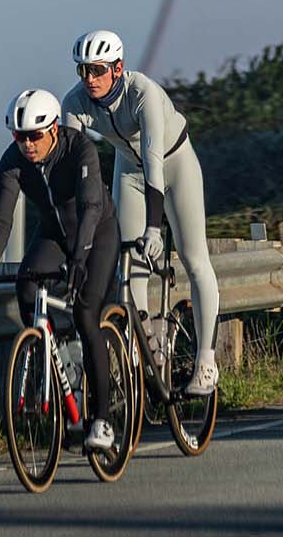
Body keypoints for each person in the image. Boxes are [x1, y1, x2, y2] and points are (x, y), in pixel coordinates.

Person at [60, 29, 222, 397]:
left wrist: (153, 228)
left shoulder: (142, 93)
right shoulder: (75, 102)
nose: (89, 79)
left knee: (195, 259)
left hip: (174, 163)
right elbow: (69, 173)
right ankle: (148, 353)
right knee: (130, 271)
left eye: (98, 70)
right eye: (83, 71)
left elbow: (154, 163)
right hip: (128, 171)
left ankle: (206, 361)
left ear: (118, 69)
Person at [0, 88, 119, 453]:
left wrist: (81, 260)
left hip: (96, 233)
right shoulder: (13, 160)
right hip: (54, 234)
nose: (27, 144)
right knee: (26, 288)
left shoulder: (79, 148)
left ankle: (101, 420)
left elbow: (89, 207)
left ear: (54, 128)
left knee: (87, 315)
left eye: (34, 136)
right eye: (18, 136)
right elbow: (1, 216)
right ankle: (63, 370)